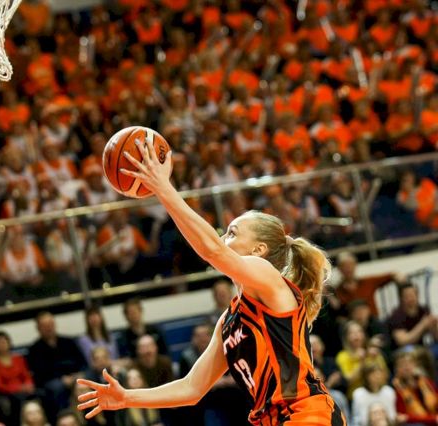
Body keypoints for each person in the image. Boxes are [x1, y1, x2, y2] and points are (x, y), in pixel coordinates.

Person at [76, 138, 346, 424]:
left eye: (232, 233)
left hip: (306, 413)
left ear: (259, 250)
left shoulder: (268, 277)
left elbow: (212, 251)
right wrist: (127, 397)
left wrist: (163, 188)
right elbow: (192, 388)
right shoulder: (229, 320)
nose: (222, 238)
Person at [392, 349, 438, 425]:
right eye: (402, 364)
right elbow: (403, 418)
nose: (406, 367)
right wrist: (433, 419)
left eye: (409, 363)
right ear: (397, 369)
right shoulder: (397, 391)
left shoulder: (426, 382)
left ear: (415, 365)